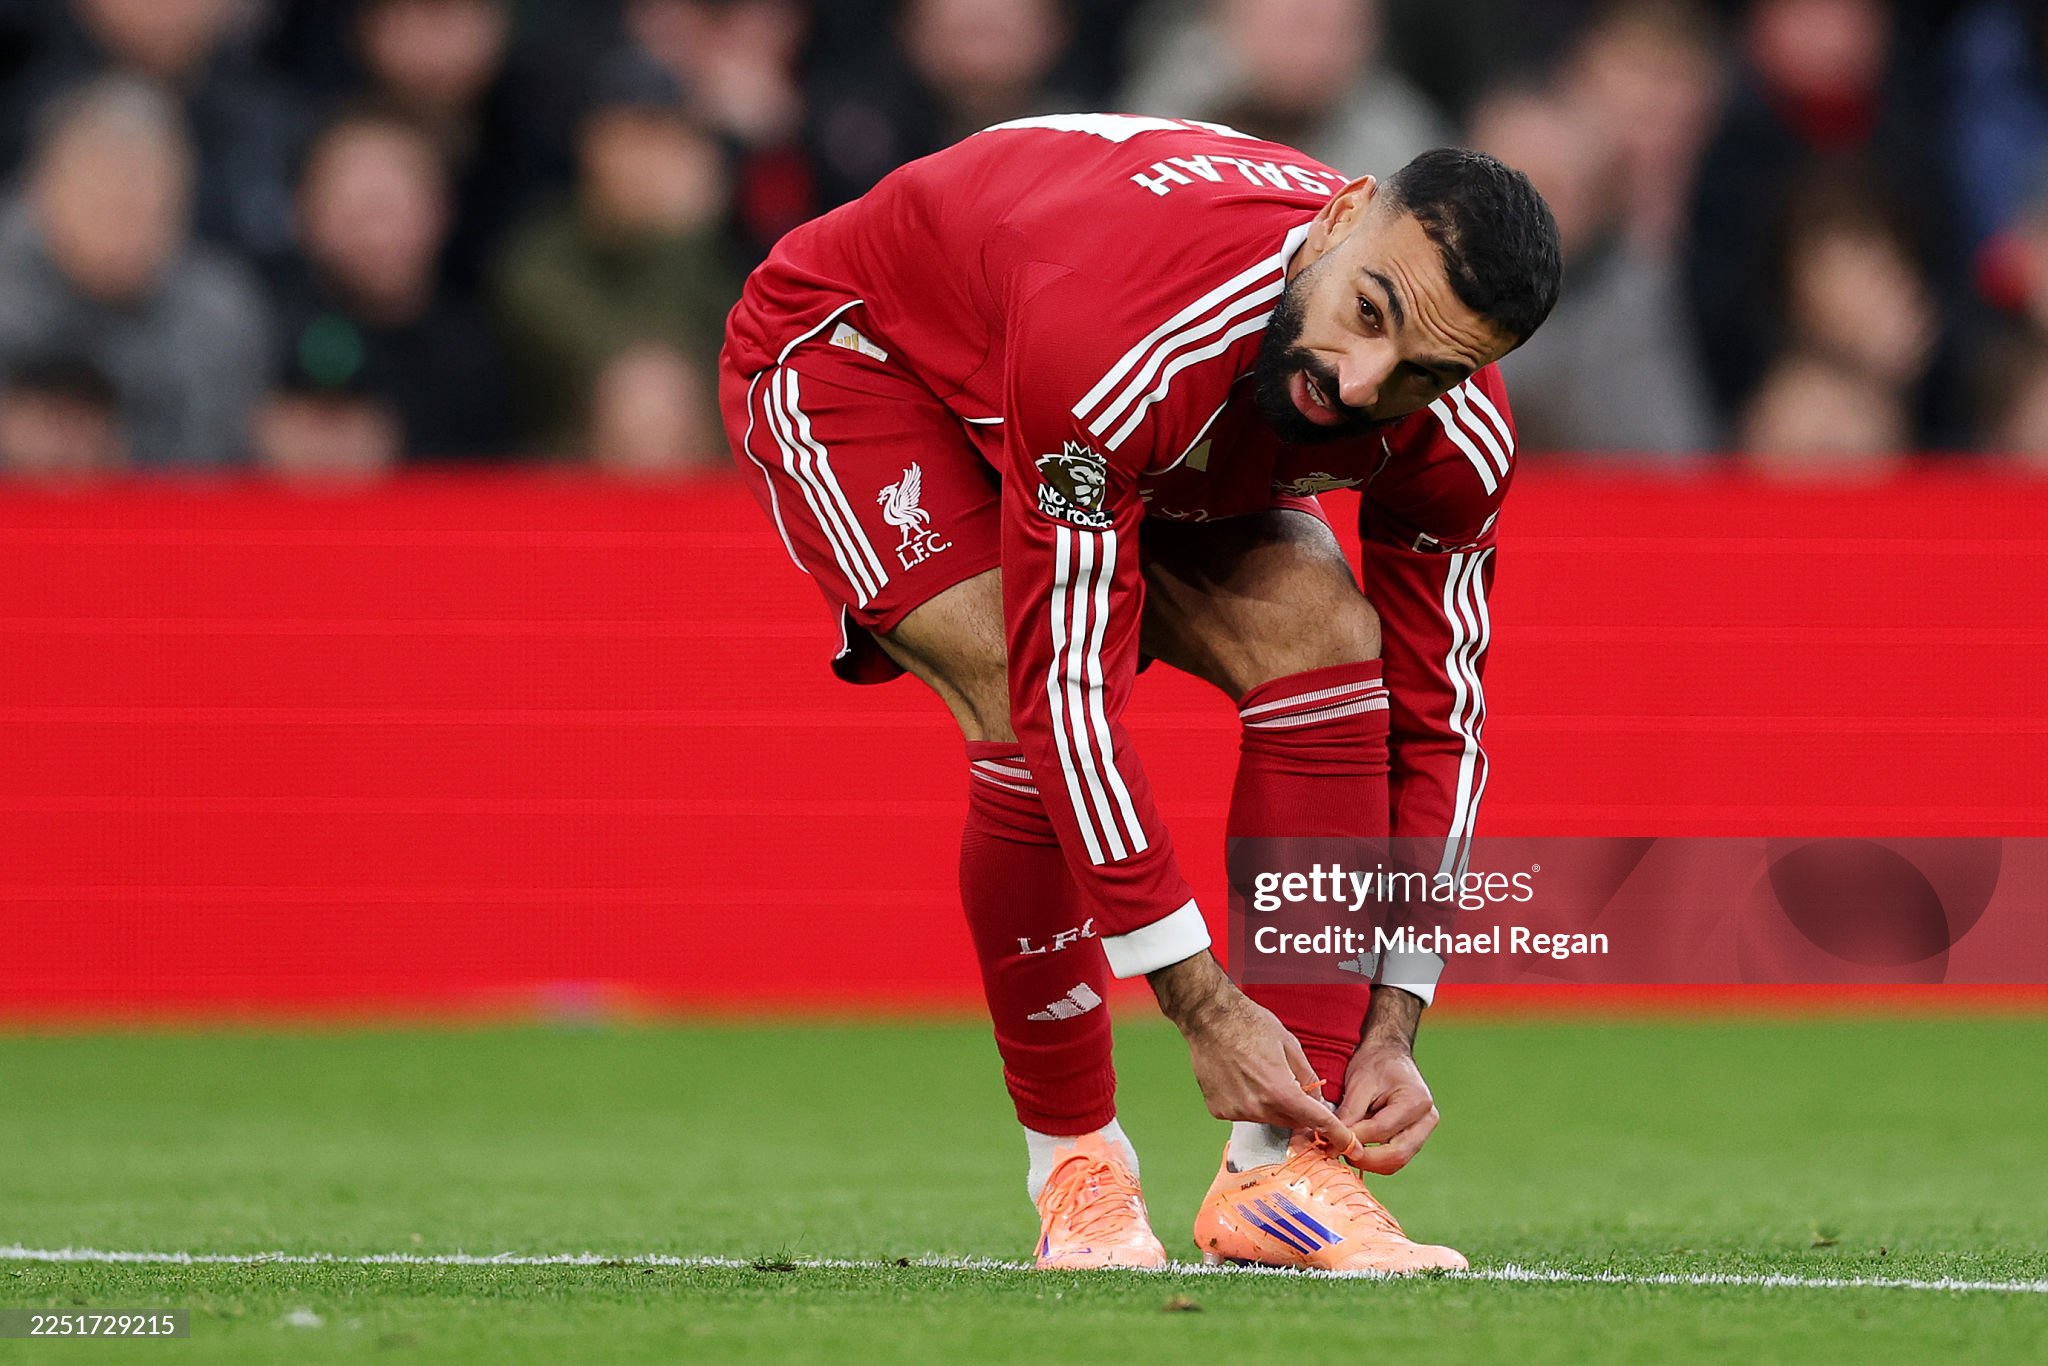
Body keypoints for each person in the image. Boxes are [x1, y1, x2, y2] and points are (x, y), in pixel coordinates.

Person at [720, 115, 1559, 1271]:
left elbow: (1441, 722)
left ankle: (1283, 1171)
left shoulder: (1454, 433)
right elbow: (1066, 691)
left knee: (1324, 639)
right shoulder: (1123, 338)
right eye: (1368, 313)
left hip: (1119, 395)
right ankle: (1077, 1169)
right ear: (1333, 221)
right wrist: (1201, 1004)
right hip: (867, 357)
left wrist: (1391, 1017)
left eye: (1425, 368)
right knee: (1015, 693)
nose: (1362, 382)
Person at [0, 75, 269, 470]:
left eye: (145, 191)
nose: (124, 204)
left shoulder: (221, 314)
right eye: (101, 187)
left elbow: (217, 466)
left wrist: (118, 453)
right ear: (40, 190)